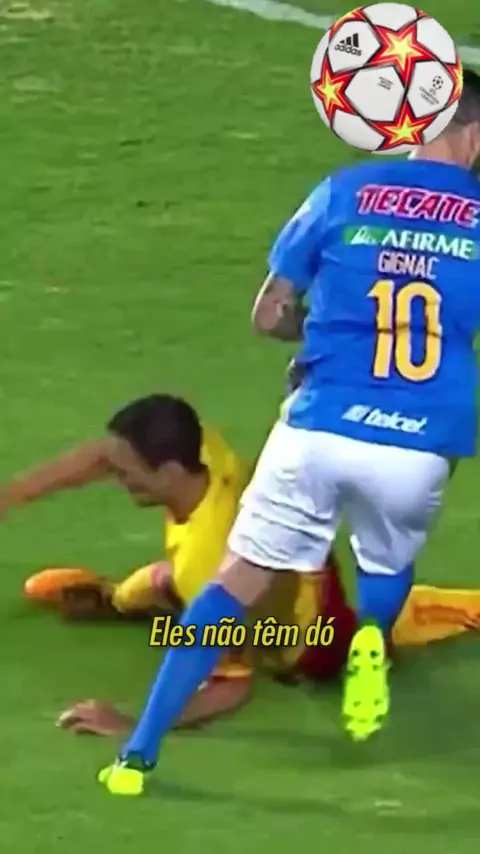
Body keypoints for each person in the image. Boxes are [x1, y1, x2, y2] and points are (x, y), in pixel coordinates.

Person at [96, 69, 480, 796]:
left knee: (230, 586)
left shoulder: (340, 193)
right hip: (418, 438)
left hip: (317, 428)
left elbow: (269, 313)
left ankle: (137, 756)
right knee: (388, 559)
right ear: (474, 135)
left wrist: (326, 334)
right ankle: (371, 635)